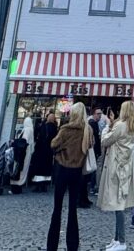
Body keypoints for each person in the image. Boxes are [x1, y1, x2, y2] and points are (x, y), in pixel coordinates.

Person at [46, 102, 91, 251]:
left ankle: (52, 245)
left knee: (57, 209)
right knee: (73, 210)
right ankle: (72, 245)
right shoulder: (87, 130)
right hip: (77, 172)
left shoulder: (66, 129)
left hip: (62, 169)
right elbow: (91, 146)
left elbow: (53, 144)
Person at [98, 100, 134, 251]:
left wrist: (107, 126)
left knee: (118, 206)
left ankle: (121, 241)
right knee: (118, 204)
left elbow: (105, 141)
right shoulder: (132, 127)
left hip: (116, 168)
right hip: (125, 168)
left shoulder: (121, 125)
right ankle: (116, 239)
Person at [30, 111, 58, 193]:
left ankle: (38, 185)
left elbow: (39, 137)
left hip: (41, 150)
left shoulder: (43, 126)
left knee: (39, 168)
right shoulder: (54, 128)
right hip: (49, 151)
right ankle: (44, 185)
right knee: (47, 168)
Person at [11, 113, 35, 193]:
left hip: (23, 152)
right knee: (23, 169)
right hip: (26, 151)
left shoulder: (27, 130)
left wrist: (14, 142)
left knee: (20, 168)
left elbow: (24, 141)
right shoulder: (30, 129)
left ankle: (16, 187)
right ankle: (18, 186)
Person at [86, 107, 104, 201]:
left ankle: (92, 186)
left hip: (93, 149)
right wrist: (98, 151)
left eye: (100, 114)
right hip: (93, 150)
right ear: (93, 114)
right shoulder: (93, 123)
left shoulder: (92, 123)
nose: (100, 115)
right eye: (98, 114)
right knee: (94, 168)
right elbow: (95, 138)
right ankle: (93, 187)